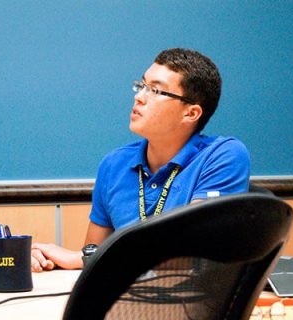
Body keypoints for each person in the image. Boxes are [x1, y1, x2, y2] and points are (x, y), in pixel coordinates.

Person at [31, 48, 250, 272]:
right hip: (128, 302)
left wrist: (79, 258)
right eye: (142, 85)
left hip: (192, 298)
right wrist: (48, 259)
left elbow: (189, 254)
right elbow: (93, 256)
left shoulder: (224, 155)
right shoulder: (113, 164)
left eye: (155, 90)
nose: (139, 97)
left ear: (191, 113)